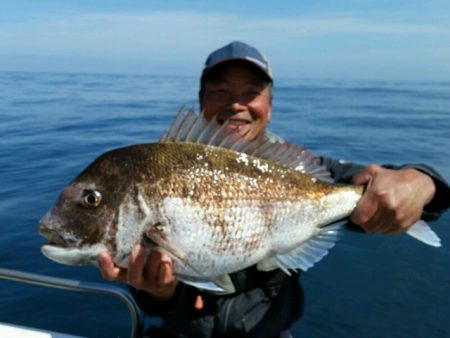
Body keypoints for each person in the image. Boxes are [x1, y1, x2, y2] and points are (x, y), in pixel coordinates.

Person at [97, 41, 450, 337]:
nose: (236, 104)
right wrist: (159, 294)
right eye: (220, 91)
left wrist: (422, 181)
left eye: (251, 92)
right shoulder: (164, 166)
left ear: (270, 104)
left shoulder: (303, 168)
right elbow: (155, 293)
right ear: (201, 99)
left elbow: (376, 188)